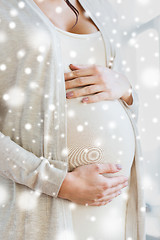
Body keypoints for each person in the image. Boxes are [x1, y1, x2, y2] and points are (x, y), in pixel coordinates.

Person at [0, 0, 145, 239]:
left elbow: (127, 106)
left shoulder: (101, 6)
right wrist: (58, 183)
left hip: (113, 206)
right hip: (42, 204)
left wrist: (126, 89)